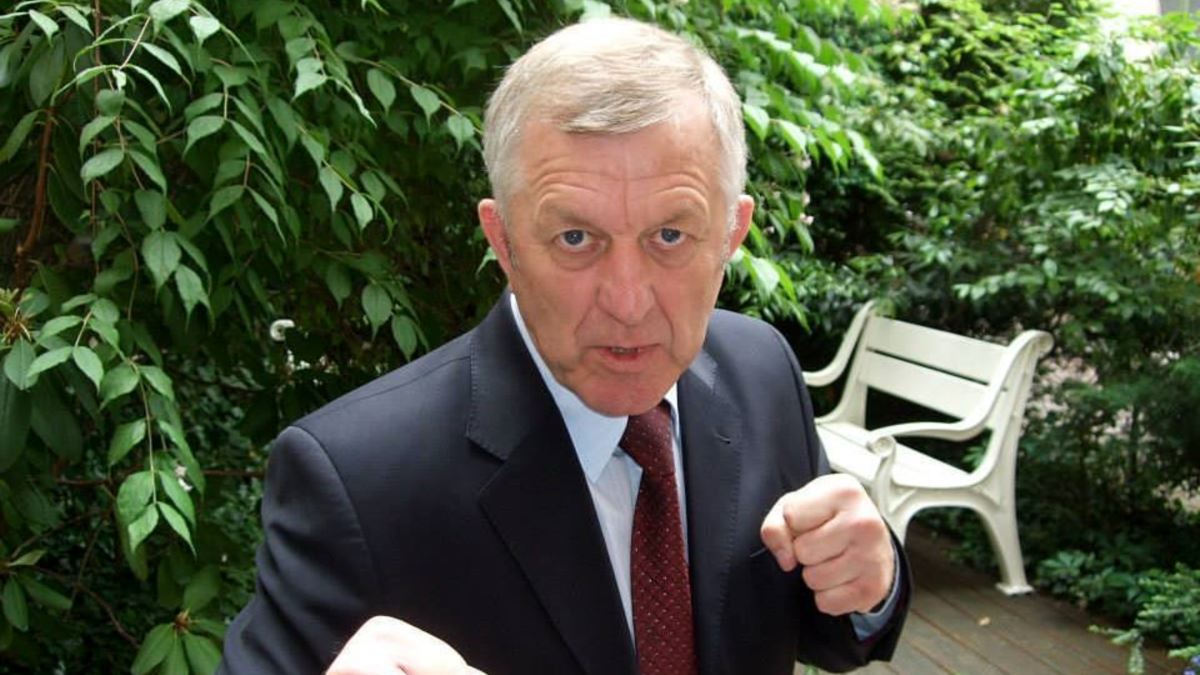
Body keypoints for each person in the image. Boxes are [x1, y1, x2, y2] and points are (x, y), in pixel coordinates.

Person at [218, 17, 909, 675]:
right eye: (576, 238)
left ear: (731, 233)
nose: (628, 302)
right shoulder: (357, 479)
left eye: (670, 236)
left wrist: (874, 584)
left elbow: (826, 621)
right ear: (504, 242)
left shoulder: (762, 371)